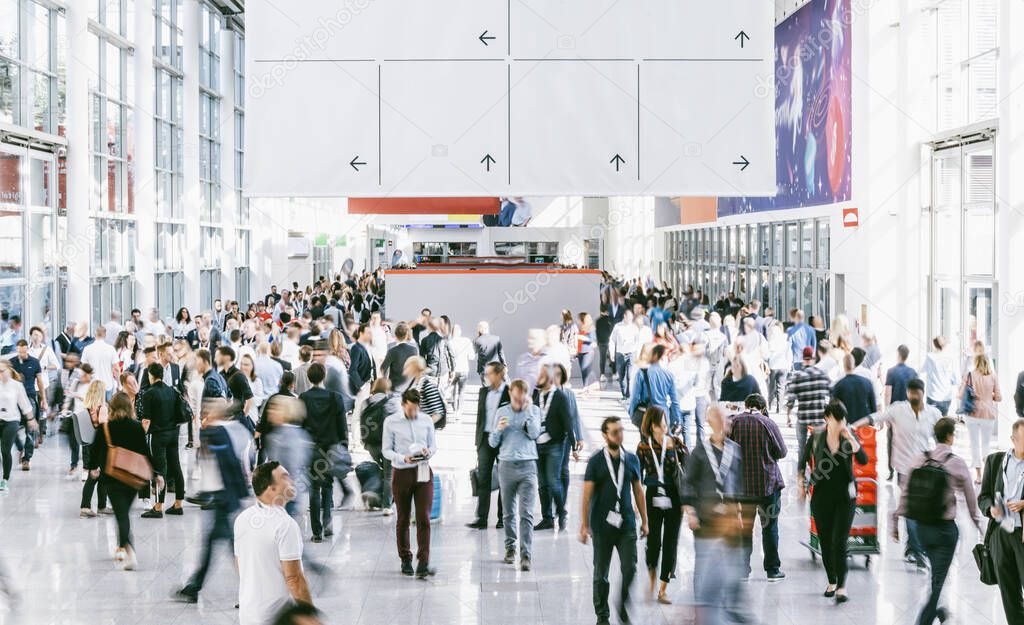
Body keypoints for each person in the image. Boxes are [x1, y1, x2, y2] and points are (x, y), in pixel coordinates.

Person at [892, 417, 980, 625]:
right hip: (945, 533)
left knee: (937, 575)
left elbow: (905, 493)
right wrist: (980, 525)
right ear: (950, 436)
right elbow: (970, 499)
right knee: (938, 581)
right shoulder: (956, 463)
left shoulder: (918, 459)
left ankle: (940, 611)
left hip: (922, 529)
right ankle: (925, 619)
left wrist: (895, 520)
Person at [175, 399, 250, 603]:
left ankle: (251, 588)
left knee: (228, 546)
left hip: (223, 499)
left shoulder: (216, 433)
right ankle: (194, 587)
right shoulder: (219, 433)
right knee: (223, 544)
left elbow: (225, 466)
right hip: (223, 498)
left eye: (207, 411)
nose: (203, 414)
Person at [863, 378, 939, 569]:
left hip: (924, 470)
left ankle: (912, 547)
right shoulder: (898, 409)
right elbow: (875, 417)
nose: (913, 396)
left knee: (920, 510)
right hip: (904, 469)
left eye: (917, 393)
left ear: (923, 393)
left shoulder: (933, 414)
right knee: (910, 509)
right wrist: (852, 426)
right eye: (911, 393)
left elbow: (941, 439)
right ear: (907, 393)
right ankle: (915, 550)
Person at [579, 416, 648, 625]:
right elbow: (587, 495)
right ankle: (602, 615)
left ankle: (622, 603)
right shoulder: (596, 461)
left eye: (621, 430)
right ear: (604, 435)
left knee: (630, 568)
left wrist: (645, 521)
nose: (619, 435)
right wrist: (584, 525)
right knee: (601, 573)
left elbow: (638, 491)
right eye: (614, 432)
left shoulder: (632, 459)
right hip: (601, 525)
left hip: (626, 523)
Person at [682, 403, 745, 625]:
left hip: (727, 520)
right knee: (704, 563)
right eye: (721, 419)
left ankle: (730, 606)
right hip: (705, 519)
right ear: (710, 422)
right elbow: (687, 484)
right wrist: (690, 512)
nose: (726, 423)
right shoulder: (699, 452)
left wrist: (738, 512)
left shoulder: (735, 450)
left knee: (731, 564)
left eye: (726, 419)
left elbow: (736, 484)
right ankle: (702, 609)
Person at [799, 401, 868, 603]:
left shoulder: (848, 436)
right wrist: (801, 485)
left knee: (839, 541)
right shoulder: (817, 437)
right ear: (827, 418)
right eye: (836, 419)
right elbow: (802, 460)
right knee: (826, 542)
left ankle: (842, 587)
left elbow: (863, 459)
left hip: (845, 497)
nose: (840, 423)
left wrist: (852, 440)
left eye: (842, 419)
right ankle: (832, 580)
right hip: (821, 497)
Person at [234, 461, 312, 625]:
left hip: (248, 615)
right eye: (285, 477)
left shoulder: (243, 519)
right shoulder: (285, 525)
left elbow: (240, 564)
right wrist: (309, 616)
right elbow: (294, 578)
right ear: (272, 488)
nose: (291, 481)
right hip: (275, 618)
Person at [87, 393, 159, 570]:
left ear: (111, 408)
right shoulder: (136, 427)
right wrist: (156, 473)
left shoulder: (105, 428)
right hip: (132, 478)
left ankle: (130, 551)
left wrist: (92, 468)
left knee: (122, 515)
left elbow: (94, 451)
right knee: (123, 513)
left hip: (112, 477)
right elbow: (145, 452)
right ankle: (121, 547)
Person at [729, 393, 787, 581]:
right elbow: (782, 452)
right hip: (767, 485)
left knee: (744, 529)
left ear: (746, 405)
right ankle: (772, 570)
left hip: (742, 486)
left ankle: (742, 570)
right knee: (770, 528)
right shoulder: (768, 423)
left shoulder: (734, 423)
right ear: (763, 408)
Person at [381, 388, 438, 578]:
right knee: (403, 518)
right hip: (402, 472)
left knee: (424, 517)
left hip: (423, 471)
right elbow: (386, 450)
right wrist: (401, 457)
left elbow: (433, 445)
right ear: (403, 404)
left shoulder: (426, 420)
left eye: (416, 409)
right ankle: (405, 558)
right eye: (410, 409)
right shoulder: (391, 422)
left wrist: (428, 452)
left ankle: (424, 562)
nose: (413, 413)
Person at [490, 379, 542, 570]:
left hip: (528, 466)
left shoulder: (534, 410)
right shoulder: (502, 412)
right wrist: (498, 430)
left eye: (522, 397)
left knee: (526, 513)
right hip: (506, 465)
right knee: (508, 512)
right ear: (511, 394)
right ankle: (510, 548)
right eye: (515, 397)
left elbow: (535, 434)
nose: (518, 401)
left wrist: (527, 412)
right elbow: (493, 442)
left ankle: (526, 554)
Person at [636, 406, 686, 604]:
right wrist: (635, 502)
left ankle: (663, 588)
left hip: (675, 497)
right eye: (660, 424)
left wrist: (688, 501)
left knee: (671, 542)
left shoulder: (676, 443)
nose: (665, 427)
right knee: (653, 541)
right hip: (652, 496)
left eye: (666, 422)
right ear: (651, 425)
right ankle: (651, 581)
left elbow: (687, 473)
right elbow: (636, 476)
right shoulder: (643, 447)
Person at [299, 363, 349, 542]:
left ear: (308, 377)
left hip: (312, 448)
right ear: (324, 376)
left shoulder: (303, 398)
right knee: (328, 486)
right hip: (331, 448)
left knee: (314, 489)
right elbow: (342, 426)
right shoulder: (335, 398)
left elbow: (300, 425)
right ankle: (327, 524)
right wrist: (345, 446)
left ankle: (316, 532)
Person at [139, 363, 186, 518]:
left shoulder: (148, 394)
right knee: (176, 467)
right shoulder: (172, 391)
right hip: (173, 434)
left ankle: (158, 507)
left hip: (158, 436)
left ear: (151, 375)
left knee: (160, 470)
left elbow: (146, 420)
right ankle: (178, 504)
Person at [468, 362, 510, 530]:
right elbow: (480, 417)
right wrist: (477, 441)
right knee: (483, 479)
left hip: (503, 440)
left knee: (504, 481)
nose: (486, 377)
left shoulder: (509, 392)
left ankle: (502, 517)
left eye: (489, 374)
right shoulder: (483, 391)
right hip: (485, 439)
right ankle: (482, 518)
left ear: (499, 374)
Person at [532, 365, 574, 531]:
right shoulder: (537, 395)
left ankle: (561, 511)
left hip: (555, 445)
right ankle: (547, 518)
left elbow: (568, 422)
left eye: (541, 374)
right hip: (538, 445)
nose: (538, 377)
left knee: (553, 480)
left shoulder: (560, 396)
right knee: (542, 484)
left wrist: (574, 443)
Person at [785, 346, 832, 474]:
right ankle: (817, 476)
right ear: (813, 358)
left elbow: (790, 400)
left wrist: (788, 416)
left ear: (802, 359)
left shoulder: (797, 376)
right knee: (819, 448)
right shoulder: (822, 374)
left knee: (801, 448)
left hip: (803, 418)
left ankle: (801, 478)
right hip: (819, 418)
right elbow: (832, 392)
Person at [960, 353, 1002, 483]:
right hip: (988, 415)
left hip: (972, 414)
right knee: (986, 445)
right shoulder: (993, 376)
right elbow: (999, 397)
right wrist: (990, 396)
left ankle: (978, 476)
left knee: (974, 444)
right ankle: (987, 475)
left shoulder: (970, 375)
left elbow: (961, 394)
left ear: (976, 362)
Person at [627, 344, 683, 436]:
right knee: (663, 444)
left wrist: (632, 412)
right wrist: (678, 420)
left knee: (646, 445)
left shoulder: (641, 373)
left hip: (647, 414)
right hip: (663, 415)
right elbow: (675, 401)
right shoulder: (669, 375)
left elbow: (635, 397)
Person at [884, 344, 919, 481]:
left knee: (891, 441)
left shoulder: (891, 371)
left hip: (894, 413)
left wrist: (886, 414)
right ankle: (907, 468)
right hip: (909, 412)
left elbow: (888, 393)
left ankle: (891, 470)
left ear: (898, 354)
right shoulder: (913, 372)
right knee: (908, 441)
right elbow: (917, 393)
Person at [0, 360, 33, 491]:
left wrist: (31, 419)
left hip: (11, 421)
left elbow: (24, 404)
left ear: (9, 370)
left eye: (2, 371)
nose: (0, 374)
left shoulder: (16, 386)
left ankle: (5, 479)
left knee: (5, 450)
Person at [831, 353, 878, 425]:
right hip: (864, 426)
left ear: (844, 366)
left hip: (847, 426)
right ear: (854, 364)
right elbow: (873, 408)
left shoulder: (838, 386)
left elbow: (834, 411)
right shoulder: (867, 382)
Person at [921, 337, 959, 416]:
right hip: (946, 396)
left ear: (934, 345)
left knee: (931, 422)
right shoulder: (951, 358)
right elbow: (956, 379)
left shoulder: (930, 357)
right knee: (943, 422)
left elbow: (923, 371)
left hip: (933, 395)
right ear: (945, 345)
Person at [609, 310, 640, 400]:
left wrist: (637, 354)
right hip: (620, 354)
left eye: (631, 318)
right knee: (621, 376)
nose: (630, 320)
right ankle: (624, 395)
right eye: (629, 318)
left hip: (631, 353)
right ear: (625, 317)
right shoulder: (618, 327)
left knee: (630, 376)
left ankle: (629, 395)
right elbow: (612, 340)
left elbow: (638, 341)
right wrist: (611, 352)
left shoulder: (634, 327)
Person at [380, 323, 418, 391]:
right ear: (406, 335)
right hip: (410, 386)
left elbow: (383, 369)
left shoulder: (392, 349)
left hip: (395, 386)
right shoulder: (414, 349)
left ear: (395, 334)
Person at [448, 324, 473, 413]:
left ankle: (454, 408)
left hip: (453, 370)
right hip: (464, 369)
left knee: (453, 389)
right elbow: (472, 357)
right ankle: (459, 411)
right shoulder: (467, 341)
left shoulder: (449, 342)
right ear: (460, 332)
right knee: (462, 391)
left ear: (452, 332)